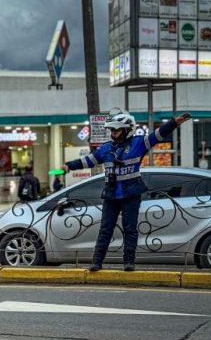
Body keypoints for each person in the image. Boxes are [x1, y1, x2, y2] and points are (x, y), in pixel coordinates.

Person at [63, 111, 191, 272]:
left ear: (127, 129)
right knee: (105, 229)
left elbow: (157, 135)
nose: (113, 133)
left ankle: (129, 262)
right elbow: (89, 160)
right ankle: (96, 262)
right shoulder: (106, 148)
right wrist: (69, 165)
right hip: (111, 195)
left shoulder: (139, 143)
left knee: (130, 229)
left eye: (116, 130)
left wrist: (174, 122)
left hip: (131, 195)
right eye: (112, 130)